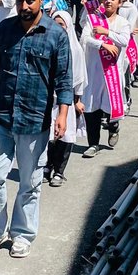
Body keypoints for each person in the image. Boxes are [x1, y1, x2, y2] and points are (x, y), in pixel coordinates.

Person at [0, 0, 72, 259]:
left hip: (34, 119)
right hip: (1, 115)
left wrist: (62, 116)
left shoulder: (56, 35)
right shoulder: (4, 29)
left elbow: (64, 80)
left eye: (30, 0)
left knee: (30, 182)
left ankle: (23, 234)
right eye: (19, 1)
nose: (24, 6)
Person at [79, 0, 130, 158]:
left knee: (110, 107)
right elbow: (84, 38)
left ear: (119, 2)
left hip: (112, 73)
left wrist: (107, 32)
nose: (108, 1)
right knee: (91, 108)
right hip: (94, 71)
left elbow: (124, 40)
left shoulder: (123, 23)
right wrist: (102, 44)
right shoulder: (92, 19)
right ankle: (93, 144)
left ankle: (114, 128)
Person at [42, 9, 86, 187]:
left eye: (61, 25)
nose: (57, 28)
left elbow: (79, 77)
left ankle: (59, 171)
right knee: (48, 135)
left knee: (65, 135)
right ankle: (46, 166)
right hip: (47, 97)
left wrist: (76, 99)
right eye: (55, 24)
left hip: (65, 100)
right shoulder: (47, 44)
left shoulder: (75, 49)